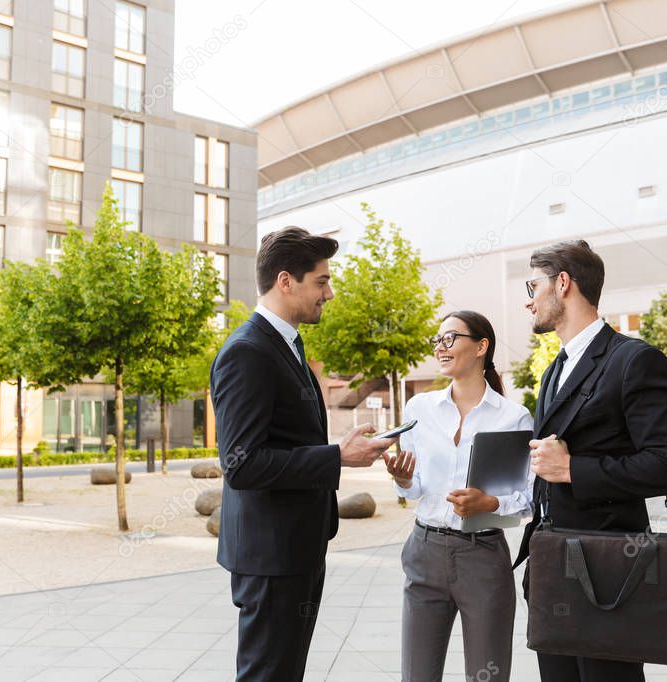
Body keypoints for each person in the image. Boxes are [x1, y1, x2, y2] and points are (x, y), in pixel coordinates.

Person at [211, 226, 396, 682]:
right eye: (322, 281)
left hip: (296, 548)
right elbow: (241, 464)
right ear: (285, 281)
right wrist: (337, 457)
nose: (329, 293)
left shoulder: (286, 346)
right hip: (271, 556)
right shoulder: (248, 352)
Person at [515, 240, 667, 682]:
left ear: (563, 284)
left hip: (609, 574)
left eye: (533, 285)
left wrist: (574, 469)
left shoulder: (634, 360)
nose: (528, 299)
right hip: (552, 568)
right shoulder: (555, 369)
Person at [384, 310, 533, 681]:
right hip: (424, 550)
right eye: (437, 340)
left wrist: (491, 504)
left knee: (487, 674)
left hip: (482, 556)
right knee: (417, 675)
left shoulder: (513, 417)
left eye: (450, 338)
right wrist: (403, 480)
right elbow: (415, 486)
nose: (441, 347)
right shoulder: (421, 409)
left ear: (481, 346)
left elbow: (530, 496)